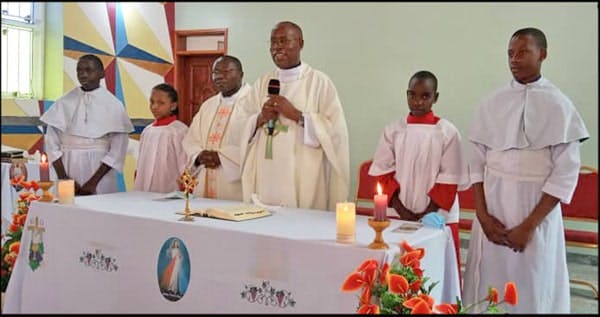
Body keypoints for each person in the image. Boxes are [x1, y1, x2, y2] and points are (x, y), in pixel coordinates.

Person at [462, 27, 589, 313]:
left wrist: (529, 225)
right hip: (493, 212)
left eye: (523, 52)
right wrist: (482, 216)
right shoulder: (491, 103)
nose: (514, 59)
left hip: (535, 215)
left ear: (542, 54)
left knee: (534, 285)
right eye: (510, 53)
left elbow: (565, 174)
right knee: (490, 287)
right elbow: (476, 164)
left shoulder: (560, 106)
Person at [239, 21, 350, 211]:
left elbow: (336, 133)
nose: (277, 47)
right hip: (266, 178)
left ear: (300, 43)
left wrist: (297, 115)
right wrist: (259, 118)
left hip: (304, 178)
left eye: (284, 41)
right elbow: (242, 125)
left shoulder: (319, 82)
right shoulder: (262, 82)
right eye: (273, 42)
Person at [368, 70, 467, 282]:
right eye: (412, 95)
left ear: (435, 97)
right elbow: (383, 173)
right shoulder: (393, 130)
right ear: (406, 94)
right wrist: (402, 211)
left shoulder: (447, 132)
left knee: (436, 276)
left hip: (437, 216)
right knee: (398, 277)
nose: (418, 101)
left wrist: (425, 216)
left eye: (425, 96)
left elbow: (449, 177)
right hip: (399, 212)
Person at [41, 54, 134, 195]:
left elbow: (118, 150)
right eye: (79, 70)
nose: (83, 74)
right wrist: (64, 178)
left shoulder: (114, 105)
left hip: (100, 172)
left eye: (88, 70)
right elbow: (51, 143)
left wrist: (93, 183)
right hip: (67, 166)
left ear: (101, 73)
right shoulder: (63, 102)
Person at [181, 55, 252, 200]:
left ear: (241, 74)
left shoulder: (253, 103)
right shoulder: (208, 105)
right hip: (205, 177)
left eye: (226, 72)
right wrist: (199, 156)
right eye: (215, 72)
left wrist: (222, 157)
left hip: (235, 184)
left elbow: (256, 144)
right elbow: (191, 140)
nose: (219, 76)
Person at [133, 83, 188, 193]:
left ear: (173, 106)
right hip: (143, 187)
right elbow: (140, 162)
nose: (154, 107)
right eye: (152, 102)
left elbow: (185, 163)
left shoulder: (179, 130)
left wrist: (185, 189)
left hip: (168, 186)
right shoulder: (147, 130)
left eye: (161, 103)